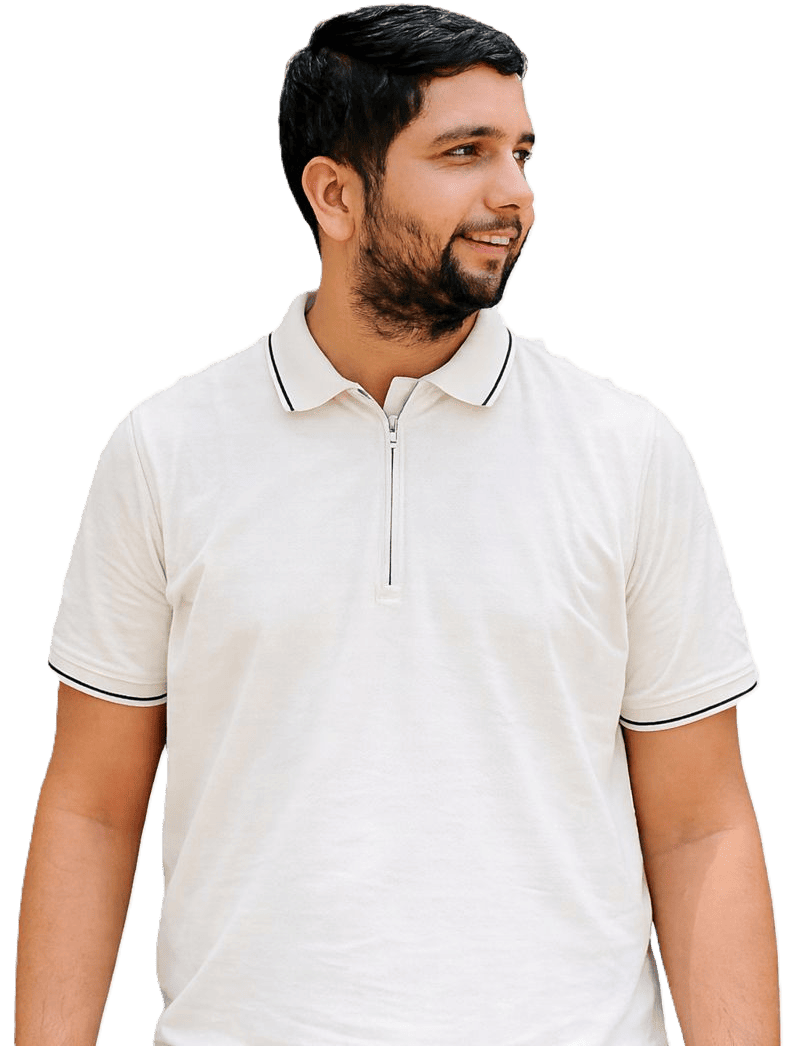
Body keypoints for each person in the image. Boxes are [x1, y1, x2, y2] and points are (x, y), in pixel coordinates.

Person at [15, 4, 780, 1045]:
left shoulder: (626, 450)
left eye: (519, 152)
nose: (512, 193)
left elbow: (699, 828)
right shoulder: (167, 449)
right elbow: (93, 806)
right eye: (463, 152)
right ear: (334, 193)